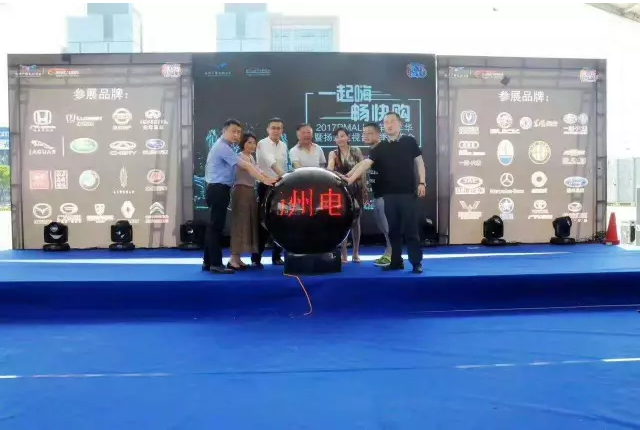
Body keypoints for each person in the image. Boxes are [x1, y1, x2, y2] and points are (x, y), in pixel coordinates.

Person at [347, 112, 426, 274]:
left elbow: (419, 162)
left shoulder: (409, 141)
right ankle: (396, 261)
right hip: (388, 195)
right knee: (393, 231)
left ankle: (416, 262)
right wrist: (350, 179)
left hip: (407, 193)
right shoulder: (381, 147)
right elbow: (366, 164)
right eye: (386, 122)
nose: (389, 125)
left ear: (400, 124)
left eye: (392, 121)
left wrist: (422, 182)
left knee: (411, 230)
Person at [203, 119, 276, 274]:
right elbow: (246, 166)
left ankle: (207, 262)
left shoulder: (227, 147)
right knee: (216, 227)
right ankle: (215, 264)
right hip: (218, 188)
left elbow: (253, 167)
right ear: (224, 131)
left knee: (215, 226)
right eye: (233, 131)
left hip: (220, 188)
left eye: (238, 132)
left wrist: (267, 178)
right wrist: (264, 180)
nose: (236, 135)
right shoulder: (223, 147)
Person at [229, 133, 275, 270]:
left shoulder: (251, 157)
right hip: (241, 191)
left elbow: (260, 171)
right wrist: (265, 180)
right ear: (243, 143)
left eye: (254, 143)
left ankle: (238, 258)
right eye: (249, 142)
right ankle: (233, 258)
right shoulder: (239, 157)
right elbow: (254, 171)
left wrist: (273, 179)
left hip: (250, 192)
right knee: (239, 224)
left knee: (247, 224)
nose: (252, 145)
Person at [253, 118, 288, 267]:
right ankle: (256, 258)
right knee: (262, 222)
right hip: (265, 185)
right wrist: (286, 177)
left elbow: (283, 165)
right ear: (268, 130)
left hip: (280, 185)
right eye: (273, 128)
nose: (276, 130)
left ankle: (277, 256)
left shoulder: (283, 145)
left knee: (280, 220)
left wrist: (284, 179)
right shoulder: (262, 143)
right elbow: (271, 163)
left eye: (279, 128)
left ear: (282, 130)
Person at [328, 127, 364, 263]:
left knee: (356, 221)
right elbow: (330, 169)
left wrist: (352, 178)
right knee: (342, 221)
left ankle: (355, 253)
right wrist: (341, 176)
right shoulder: (333, 153)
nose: (339, 139)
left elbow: (362, 167)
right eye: (337, 137)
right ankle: (343, 253)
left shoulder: (356, 151)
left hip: (356, 189)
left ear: (348, 137)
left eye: (342, 136)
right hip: (341, 190)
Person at [360, 122, 392, 266]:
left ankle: (392, 254)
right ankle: (389, 252)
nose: (366, 136)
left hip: (387, 194)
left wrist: (349, 177)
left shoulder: (382, 148)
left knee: (387, 225)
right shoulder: (373, 149)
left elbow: (363, 166)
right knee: (381, 224)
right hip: (378, 193)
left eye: (370, 133)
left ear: (378, 134)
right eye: (364, 133)